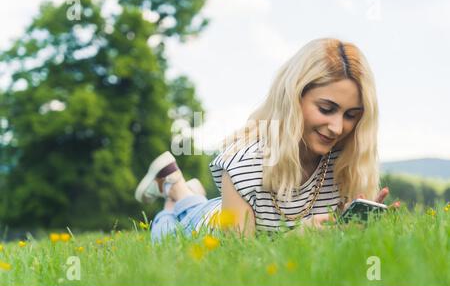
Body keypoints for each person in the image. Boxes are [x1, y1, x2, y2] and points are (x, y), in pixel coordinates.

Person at [135, 37, 401, 243]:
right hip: (208, 226)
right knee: (165, 233)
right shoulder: (244, 163)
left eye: (351, 115)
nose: (336, 127)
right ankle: (173, 194)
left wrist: (351, 227)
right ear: (294, 99)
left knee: (204, 204)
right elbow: (236, 259)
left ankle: (179, 187)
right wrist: (297, 239)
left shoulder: (344, 161)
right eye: (326, 109)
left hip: (232, 209)